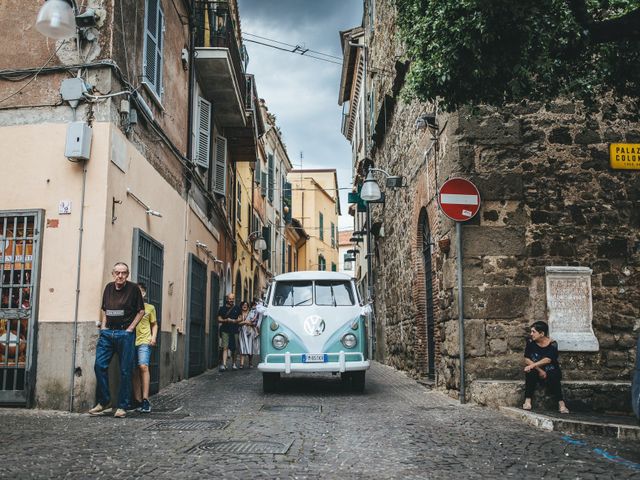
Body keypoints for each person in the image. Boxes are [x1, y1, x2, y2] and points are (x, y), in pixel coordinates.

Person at [89, 262, 145, 418]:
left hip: (124, 334)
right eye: (117, 273)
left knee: (125, 370)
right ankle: (104, 401)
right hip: (108, 334)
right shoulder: (108, 287)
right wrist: (104, 327)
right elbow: (105, 309)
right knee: (99, 366)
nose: (120, 276)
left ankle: (122, 406)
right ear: (113, 274)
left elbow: (141, 311)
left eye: (124, 273)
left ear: (127, 274)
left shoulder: (133, 289)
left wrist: (130, 329)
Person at [523, 321, 569, 414]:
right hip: (537, 369)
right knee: (530, 373)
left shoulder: (553, 344)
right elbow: (526, 358)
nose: (531, 334)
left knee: (554, 375)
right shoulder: (530, 342)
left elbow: (548, 360)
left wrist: (532, 365)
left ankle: (561, 403)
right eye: (531, 331)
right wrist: (539, 370)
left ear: (542, 334)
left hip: (550, 368)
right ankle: (527, 401)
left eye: (533, 332)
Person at [131, 283, 158, 414]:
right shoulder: (130, 307)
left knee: (143, 366)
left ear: (144, 293)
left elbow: (154, 324)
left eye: (140, 291)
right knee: (134, 370)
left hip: (144, 341)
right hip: (131, 341)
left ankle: (145, 399)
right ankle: (138, 400)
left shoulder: (150, 308)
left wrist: (153, 338)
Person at [217, 293, 240, 371]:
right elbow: (219, 319)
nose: (231, 300)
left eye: (232, 299)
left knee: (235, 348)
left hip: (235, 330)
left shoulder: (237, 308)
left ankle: (234, 364)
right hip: (225, 330)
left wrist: (234, 320)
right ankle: (224, 364)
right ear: (227, 299)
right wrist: (225, 320)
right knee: (225, 347)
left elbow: (240, 318)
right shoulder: (222, 309)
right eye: (230, 299)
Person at [238, 301, 258, 368]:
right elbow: (238, 323)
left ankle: (250, 363)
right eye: (243, 305)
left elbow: (255, 323)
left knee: (250, 347)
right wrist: (245, 322)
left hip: (250, 331)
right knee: (242, 346)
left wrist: (250, 323)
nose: (245, 306)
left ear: (248, 306)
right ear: (241, 306)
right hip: (242, 331)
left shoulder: (251, 313)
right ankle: (241, 364)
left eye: (246, 305)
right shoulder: (239, 313)